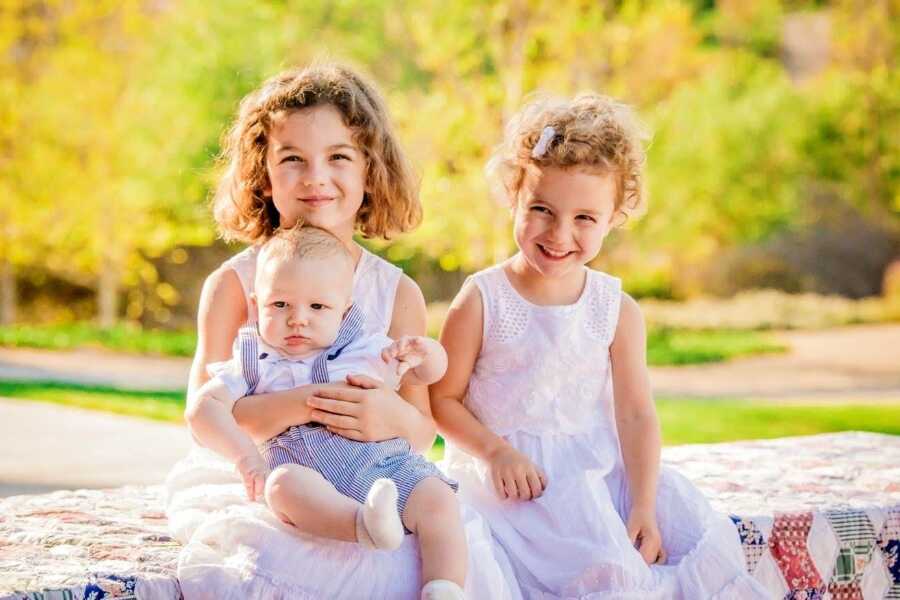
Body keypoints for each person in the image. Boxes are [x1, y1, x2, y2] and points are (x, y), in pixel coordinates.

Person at [175, 63, 518, 599]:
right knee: (315, 560)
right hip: (270, 472)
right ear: (263, 177)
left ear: (369, 172)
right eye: (293, 160)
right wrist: (309, 403)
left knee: (423, 539)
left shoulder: (395, 292)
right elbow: (207, 416)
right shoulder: (236, 285)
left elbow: (421, 429)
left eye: (338, 157)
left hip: (371, 467)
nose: (316, 178)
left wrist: (388, 415)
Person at [430, 94, 768, 599]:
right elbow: (442, 400)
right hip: (503, 483)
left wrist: (644, 506)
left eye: (585, 218)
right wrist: (495, 452)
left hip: (595, 475)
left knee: (685, 543)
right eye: (540, 209)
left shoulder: (616, 309)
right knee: (591, 571)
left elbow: (635, 414)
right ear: (513, 198)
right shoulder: (482, 300)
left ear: (615, 217)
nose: (559, 233)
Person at [187, 225, 465, 599]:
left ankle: (444, 587)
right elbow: (202, 410)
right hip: (309, 477)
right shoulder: (255, 361)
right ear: (257, 304)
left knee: (438, 499)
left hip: (385, 466)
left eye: (317, 306)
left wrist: (428, 354)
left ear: (344, 309)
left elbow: (421, 375)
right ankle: (364, 524)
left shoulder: (363, 350)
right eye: (280, 304)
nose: (298, 318)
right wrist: (247, 457)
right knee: (281, 487)